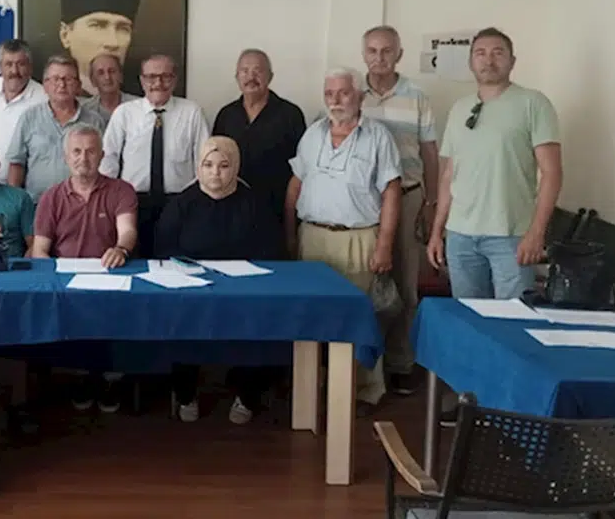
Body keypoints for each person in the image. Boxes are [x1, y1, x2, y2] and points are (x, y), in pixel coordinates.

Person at [286, 68, 402, 417]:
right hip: (313, 237)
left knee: (359, 316)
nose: (335, 100)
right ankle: (316, 385)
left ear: (360, 97)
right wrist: (289, 234)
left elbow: (391, 191)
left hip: (358, 239)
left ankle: (366, 389)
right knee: (312, 314)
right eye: (329, 93)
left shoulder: (378, 136)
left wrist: (384, 244)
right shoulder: (312, 134)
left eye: (344, 93)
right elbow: (296, 184)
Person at [156, 136, 285, 424]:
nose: (216, 173)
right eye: (208, 165)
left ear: (236, 167)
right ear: (198, 168)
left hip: (245, 291)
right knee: (181, 326)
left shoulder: (254, 204)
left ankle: (247, 395)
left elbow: (271, 251)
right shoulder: (182, 204)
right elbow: (164, 249)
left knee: (256, 328)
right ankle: (186, 394)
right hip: (193, 289)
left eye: (224, 166)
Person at [427, 27, 562, 300]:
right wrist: (437, 231)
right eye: (481, 53)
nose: (488, 60)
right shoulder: (460, 108)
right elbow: (449, 175)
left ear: (512, 61)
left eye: (498, 53)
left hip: (510, 236)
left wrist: (536, 233)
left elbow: (552, 173)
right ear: (471, 62)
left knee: (513, 317)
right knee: (469, 316)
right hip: (460, 236)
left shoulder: (533, 103)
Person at [31, 124, 138, 412]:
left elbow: (127, 231)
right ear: (66, 157)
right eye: (76, 152)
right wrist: (49, 280)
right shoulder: (51, 196)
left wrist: (121, 249)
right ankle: (80, 377)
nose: (83, 158)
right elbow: (40, 249)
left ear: (102, 155)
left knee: (115, 320)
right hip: (65, 280)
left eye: (91, 151)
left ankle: (110, 379)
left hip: (110, 275)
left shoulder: (121, 190)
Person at [356, 26, 438, 397]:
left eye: (387, 51)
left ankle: (402, 363)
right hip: (364, 202)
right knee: (367, 284)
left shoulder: (416, 97)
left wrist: (431, 203)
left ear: (399, 55)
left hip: (406, 197)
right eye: (372, 51)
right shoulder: (353, 95)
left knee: (404, 285)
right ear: (364, 54)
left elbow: (430, 153)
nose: (379, 58)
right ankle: (364, 367)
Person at [100, 54, 208, 258]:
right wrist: (111, 198)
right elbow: (108, 158)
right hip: (133, 202)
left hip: (180, 202)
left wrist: (194, 200)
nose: (158, 83)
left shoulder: (192, 112)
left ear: (175, 80)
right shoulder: (124, 113)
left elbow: (204, 161)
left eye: (165, 76)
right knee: (134, 259)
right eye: (151, 77)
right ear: (142, 81)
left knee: (176, 261)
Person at [212, 48, 305, 221]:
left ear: (270, 77)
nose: (251, 77)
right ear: (237, 77)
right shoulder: (226, 115)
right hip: (231, 208)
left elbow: (300, 169)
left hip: (275, 209)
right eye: (244, 71)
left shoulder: (290, 114)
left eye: (258, 71)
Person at [6, 55, 106, 200]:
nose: (62, 84)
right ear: (45, 86)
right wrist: (14, 203)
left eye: (68, 79)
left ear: (78, 85)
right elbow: (16, 163)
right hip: (37, 203)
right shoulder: (29, 118)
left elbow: (104, 165)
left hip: (83, 203)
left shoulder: (94, 121)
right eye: (55, 79)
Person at [55, 0, 144, 98]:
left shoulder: (139, 104)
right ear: (65, 35)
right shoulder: (47, 101)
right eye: (97, 25)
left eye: (123, 28)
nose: (112, 42)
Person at [0, 40, 45, 183]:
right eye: (8, 64)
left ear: (30, 67)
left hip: (23, 183)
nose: (14, 71)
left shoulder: (43, 97)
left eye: (21, 64)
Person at [79, 53, 138, 124]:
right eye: (101, 73)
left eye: (112, 71)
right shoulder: (83, 110)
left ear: (121, 76)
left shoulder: (138, 106)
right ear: (93, 80)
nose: (107, 77)